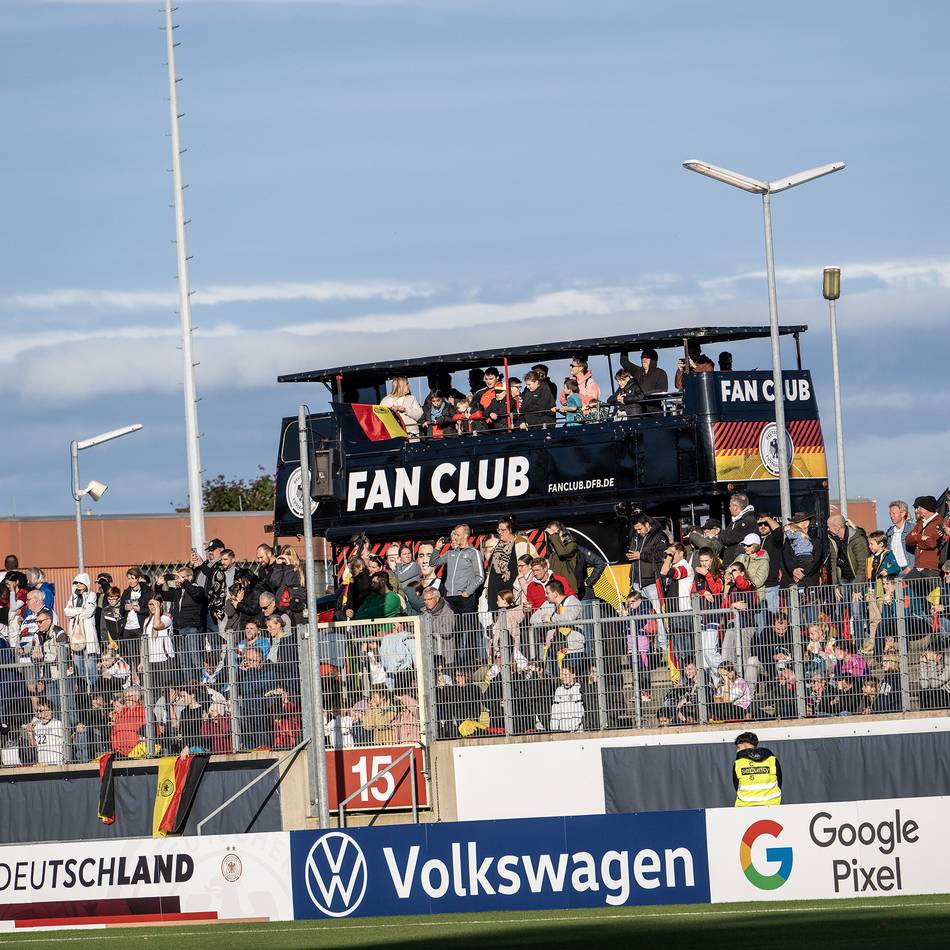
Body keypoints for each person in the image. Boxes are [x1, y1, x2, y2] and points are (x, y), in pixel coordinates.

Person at [625, 514, 669, 643]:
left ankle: (663, 644)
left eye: (640, 529)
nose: (638, 532)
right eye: (636, 530)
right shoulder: (636, 538)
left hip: (651, 581)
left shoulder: (659, 536)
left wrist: (641, 555)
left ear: (647, 524)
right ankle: (635, 644)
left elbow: (662, 555)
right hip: (637, 582)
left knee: (659, 613)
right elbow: (634, 554)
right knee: (634, 614)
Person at [431, 525, 484, 617]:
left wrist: (468, 592)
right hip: (449, 598)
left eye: (457, 535)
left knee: (469, 627)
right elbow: (433, 562)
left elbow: (480, 577)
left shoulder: (473, 553)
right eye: (454, 534)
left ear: (466, 535)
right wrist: (437, 548)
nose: (455, 537)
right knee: (453, 629)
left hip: (465, 597)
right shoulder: (450, 553)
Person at [63, 573, 100, 690]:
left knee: (91, 667)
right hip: (76, 636)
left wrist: (75, 610)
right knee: (79, 667)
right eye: (76, 583)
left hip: (88, 636)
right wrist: (80, 609)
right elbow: (66, 612)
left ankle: (95, 691)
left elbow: (89, 612)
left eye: (81, 583)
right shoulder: (73, 597)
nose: (78, 585)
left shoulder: (92, 595)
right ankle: (84, 691)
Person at [732, 731, 782, 806]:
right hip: (772, 805)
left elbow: (736, 785)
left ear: (745, 746)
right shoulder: (772, 759)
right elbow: (779, 781)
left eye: (738, 747)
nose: (737, 751)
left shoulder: (738, 763)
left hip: (745, 807)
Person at [619, 347, 668, 413]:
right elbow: (624, 362)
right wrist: (624, 346)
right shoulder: (638, 371)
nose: (644, 359)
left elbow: (662, 390)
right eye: (642, 357)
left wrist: (643, 394)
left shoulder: (660, 373)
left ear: (653, 360)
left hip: (654, 410)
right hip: (638, 410)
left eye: (647, 357)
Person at [422, 588, 457, 670]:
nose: (427, 602)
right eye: (425, 600)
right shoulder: (424, 613)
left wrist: (429, 627)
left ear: (437, 598)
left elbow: (447, 631)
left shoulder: (448, 612)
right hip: (430, 653)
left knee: (446, 679)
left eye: (430, 599)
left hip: (445, 654)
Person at [907, 495, 945, 572]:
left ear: (926, 509)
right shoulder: (920, 523)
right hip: (918, 566)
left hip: (931, 567)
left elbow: (931, 544)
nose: (917, 510)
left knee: (933, 584)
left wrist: (916, 540)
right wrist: (921, 537)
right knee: (906, 582)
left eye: (920, 507)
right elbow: (908, 540)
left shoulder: (939, 522)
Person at [719, 493, 758, 565]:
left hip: (740, 565)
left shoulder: (748, 521)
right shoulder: (736, 520)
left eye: (730, 506)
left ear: (735, 507)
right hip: (732, 563)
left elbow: (729, 538)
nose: (729, 508)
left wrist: (719, 533)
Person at [549, 666, 586, 732]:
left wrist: (575, 727)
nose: (563, 677)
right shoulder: (559, 690)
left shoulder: (579, 689)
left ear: (573, 675)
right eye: (562, 675)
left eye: (565, 675)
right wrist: (554, 728)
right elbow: (555, 710)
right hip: (562, 730)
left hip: (576, 731)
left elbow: (581, 710)